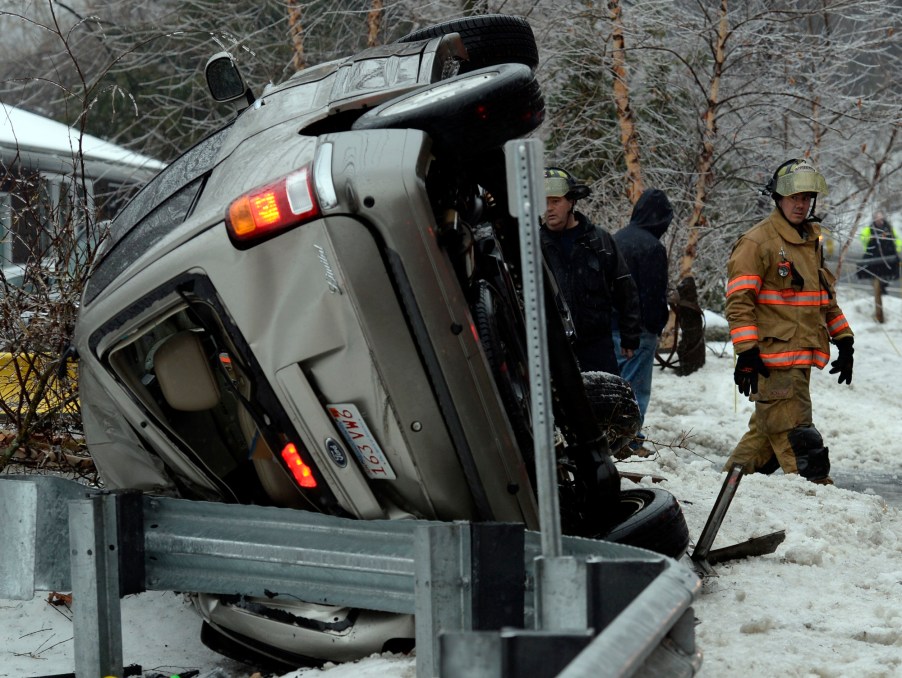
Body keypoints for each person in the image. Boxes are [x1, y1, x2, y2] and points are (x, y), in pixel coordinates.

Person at [722, 158, 854, 484]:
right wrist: (748, 353)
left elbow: (823, 300)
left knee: (767, 435)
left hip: (799, 362)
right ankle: (821, 507)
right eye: (794, 197)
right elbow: (739, 303)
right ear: (777, 198)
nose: (801, 204)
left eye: (807, 197)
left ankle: (727, 489)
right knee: (801, 443)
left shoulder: (809, 242)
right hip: (772, 365)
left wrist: (845, 341)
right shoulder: (757, 243)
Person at [541, 167, 642, 375]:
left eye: (555, 201)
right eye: (544, 202)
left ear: (572, 201)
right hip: (552, 350)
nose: (549, 208)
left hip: (597, 348)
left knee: (606, 405)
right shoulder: (534, 246)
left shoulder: (599, 240)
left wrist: (629, 335)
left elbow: (625, 286)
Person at [611, 188, 674, 450]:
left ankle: (613, 439)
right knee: (635, 391)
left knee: (613, 388)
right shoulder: (651, 247)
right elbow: (652, 293)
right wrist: (656, 324)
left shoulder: (615, 239)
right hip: (638, 332)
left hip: (610, 327)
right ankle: (630, 443)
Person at [856, 211, 900, 293]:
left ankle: (882, 288)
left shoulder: (889, 228)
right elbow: (863, 239)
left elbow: (896, 239)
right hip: (874, 255)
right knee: (875, 273)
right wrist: (870, 239)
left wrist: (896, 250)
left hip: (888, 255)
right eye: (877, 219)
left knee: (886, 273)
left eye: (880, 219)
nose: (879, 221)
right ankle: (878, 289)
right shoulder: (869, 229)